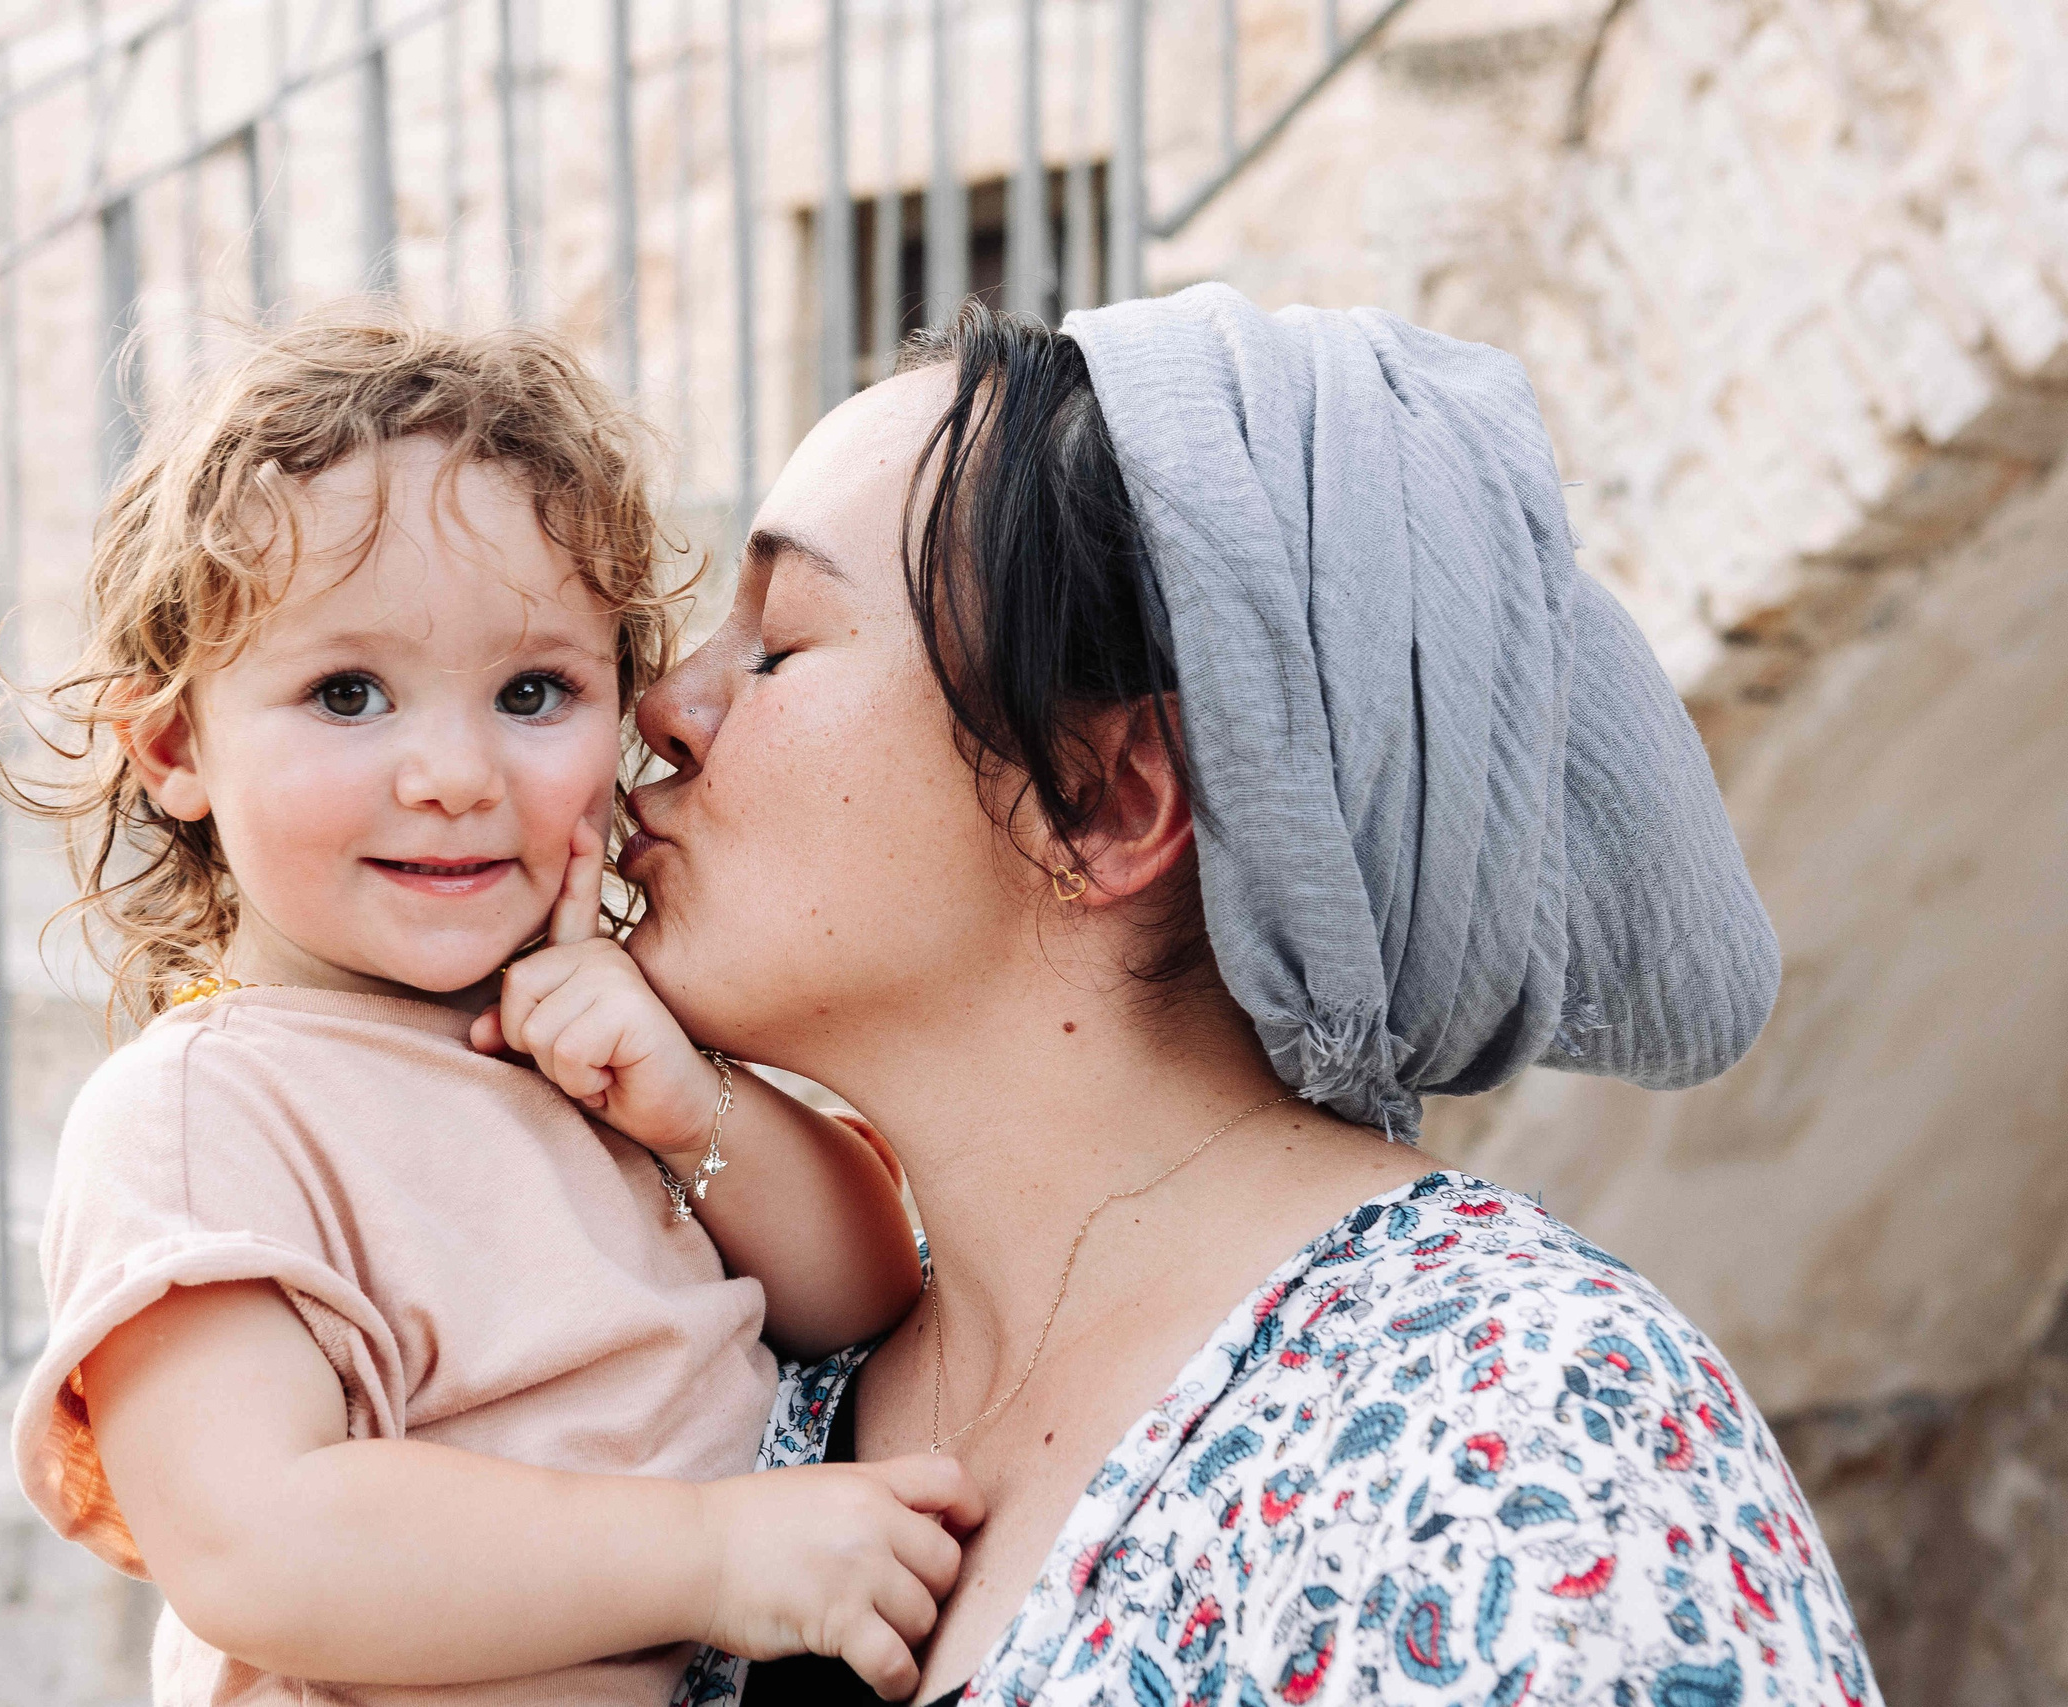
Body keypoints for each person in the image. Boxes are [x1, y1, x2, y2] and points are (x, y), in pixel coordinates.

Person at [623, 289, 1882, 1706]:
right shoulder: (737, 1380)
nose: (667, 702)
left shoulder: (1519, 1438)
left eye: (781, 643)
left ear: (1104, 803)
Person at [0, 312, 983, 1707]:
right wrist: (710, 1555)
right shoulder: (199, 1114)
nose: (455, 773)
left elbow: (874, 1293)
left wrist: (690, 1106)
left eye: (533, 690)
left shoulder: (602, 1033)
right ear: (174, 747)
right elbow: (255, 1546)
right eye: (349, 695)